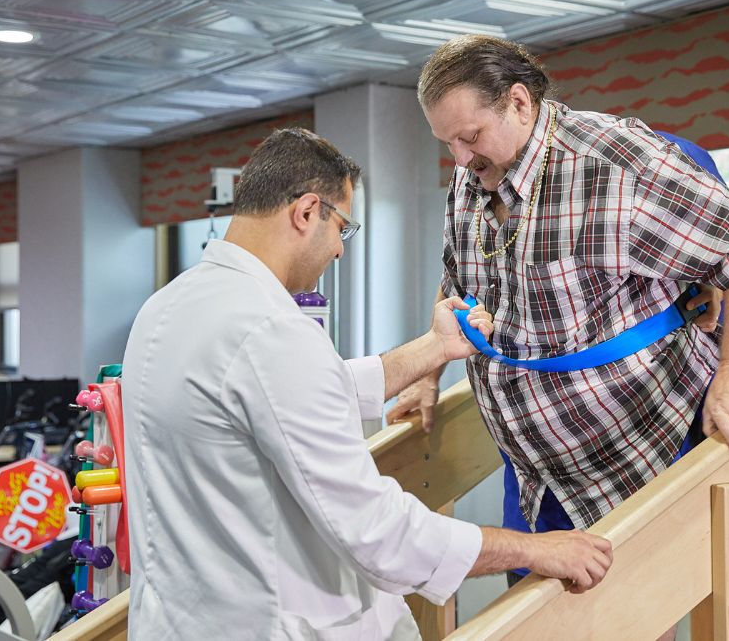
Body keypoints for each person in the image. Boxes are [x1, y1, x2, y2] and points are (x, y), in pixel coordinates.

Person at [122, 128, 613, 640]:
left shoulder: (169, 306)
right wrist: (536, 547)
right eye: (343, 227)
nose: (339, 250)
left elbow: (302, 394)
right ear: (307, 212)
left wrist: (435, 348)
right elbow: (377, 532)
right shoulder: (272, 332)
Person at [389, 35, 729, 638]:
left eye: (470, 137)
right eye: (447, 144)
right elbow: (459, 285)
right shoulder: (472, 180)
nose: (460, 160)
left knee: (646, 617)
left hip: (645, 442)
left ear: (519, 102)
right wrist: (426, 374)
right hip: (538, 468)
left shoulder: (613, 163)